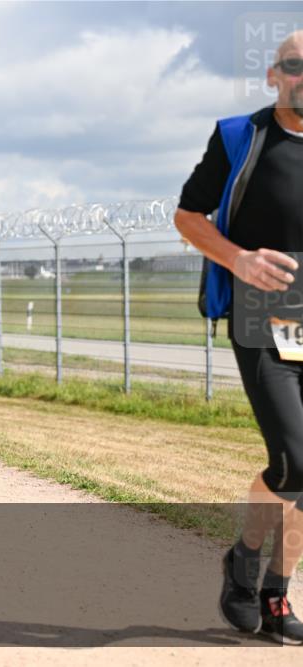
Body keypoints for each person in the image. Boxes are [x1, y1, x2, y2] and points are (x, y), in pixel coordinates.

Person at [175, 30, 303, 644]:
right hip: (262, 316)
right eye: (296, 67)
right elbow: (188, 215)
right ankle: (245, 564)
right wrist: (239, 260)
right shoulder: (240, 137)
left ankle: (276, 595)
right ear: (274, 75)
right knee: (296, 462)